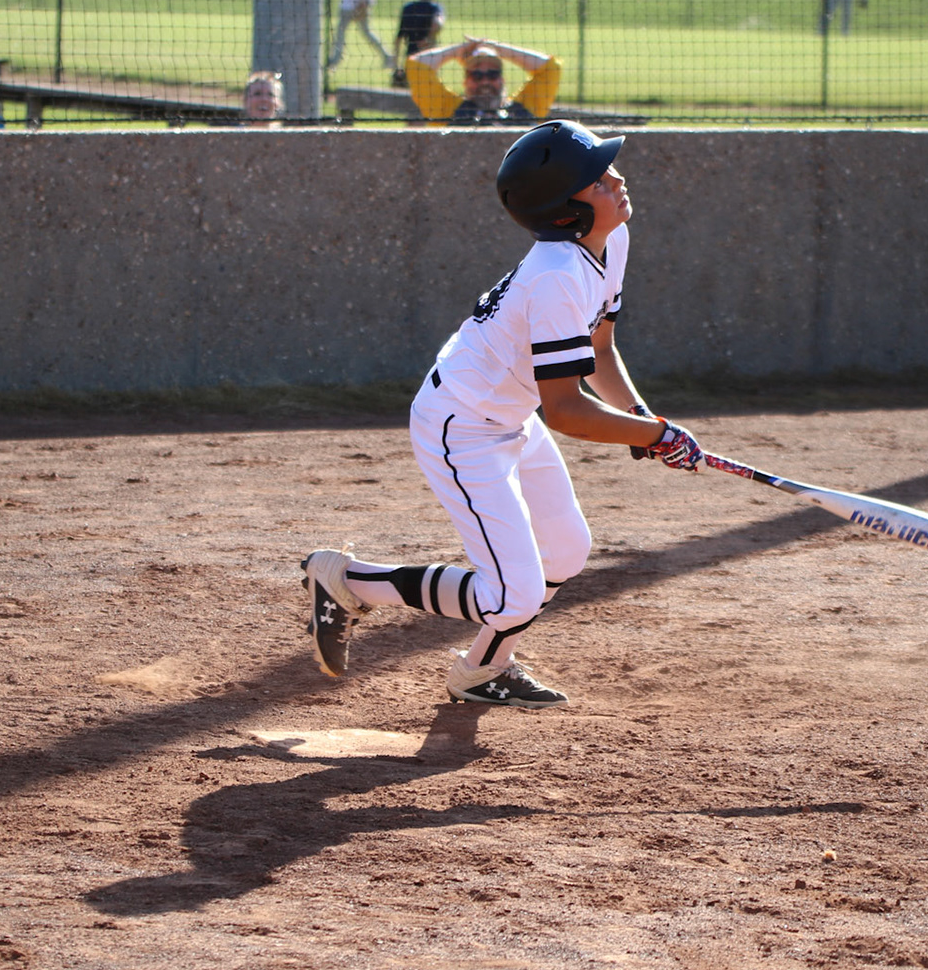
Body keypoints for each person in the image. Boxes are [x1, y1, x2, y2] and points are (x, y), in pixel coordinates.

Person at [300, 120, 704, 708]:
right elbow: (566, 408)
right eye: (596, 178)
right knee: (513, 595)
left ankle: (481, 670)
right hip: (460, 426)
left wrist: (645, 422)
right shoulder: (557, 276)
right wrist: (655, 434)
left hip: (510, 417)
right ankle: (348, 581)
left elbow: (600, 349)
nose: (616, 179)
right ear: (566, 211)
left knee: (564, 552)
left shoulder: (608, 238)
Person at [406, 37, 561, 125]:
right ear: (465, 82)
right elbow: (417, 67)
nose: (485, 81)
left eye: (492, 74)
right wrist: (458, 50)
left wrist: (499, 49)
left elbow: (550, 68)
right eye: (477, 75)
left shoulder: (526, 107)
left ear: (502, 80)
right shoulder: (447, 110)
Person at [391, 0, 445, 87]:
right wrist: (429, 38)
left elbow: (398, 40)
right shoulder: (435, 9)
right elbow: (438, 23)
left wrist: (396, 67)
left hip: (410, 60)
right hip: (428, 62)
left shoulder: (408, 8)